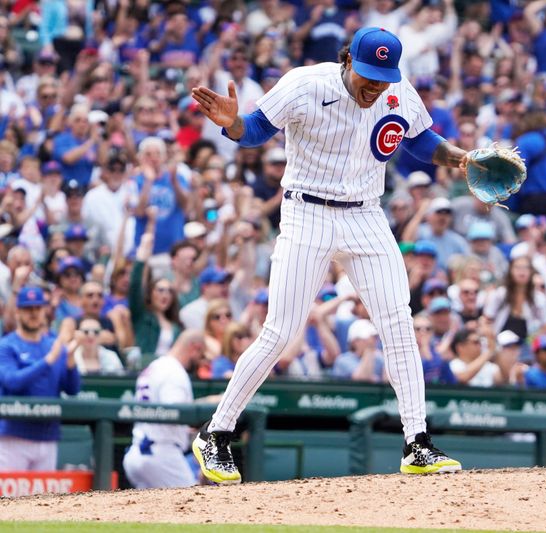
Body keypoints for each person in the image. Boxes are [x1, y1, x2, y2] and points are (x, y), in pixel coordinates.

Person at [189, 26, 465, 482]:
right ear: (348, 60)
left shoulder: (396, 91)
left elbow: (418, 140)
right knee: (280, 331)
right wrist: (233, 124)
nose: (375, 85)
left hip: (366, 215)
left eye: (384, 75)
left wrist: (462, 159)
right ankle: (216, 433)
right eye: (368, 73)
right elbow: (255, 130)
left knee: (398, 323)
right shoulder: (306, 83)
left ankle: (417, 442)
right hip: (306, 211)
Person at [0, 286, 80, 471]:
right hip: (13, 436)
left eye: (37, 308)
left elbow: (72, 389)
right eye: (28, 309)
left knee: (44, 500)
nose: (33, 313)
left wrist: (70, 360)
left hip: (48, 436)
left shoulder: (53, 345)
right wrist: (48, 361)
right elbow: (12, 381)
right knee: (9, 499)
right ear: (18, 312)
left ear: (45, 310)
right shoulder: (6, 345)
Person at [122, 330, 206, 488]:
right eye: (201, 356)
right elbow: (176, 412)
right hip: (162, 455)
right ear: (195, 347)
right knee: (194, 503)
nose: (200, 362)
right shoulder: (174, 372)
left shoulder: (154, 366)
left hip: (137, 453)